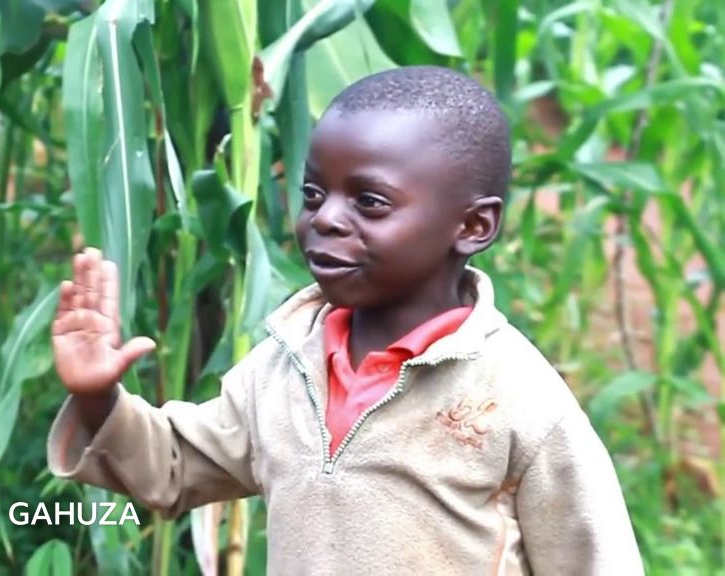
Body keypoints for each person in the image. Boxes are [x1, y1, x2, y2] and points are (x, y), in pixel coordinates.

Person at [46, 66, 644, 574]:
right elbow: (173, 469)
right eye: (313, 195)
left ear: (472, 226)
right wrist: (99, 398)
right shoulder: (285, 365)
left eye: (370, 202)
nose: (325, 219)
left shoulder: (518, 398)